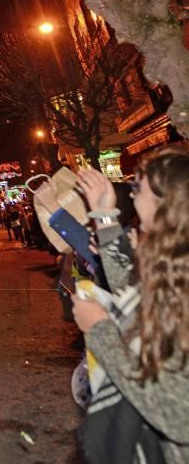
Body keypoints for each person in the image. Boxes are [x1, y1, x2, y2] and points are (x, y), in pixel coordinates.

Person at [64, 152, 189, 463]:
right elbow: (140, 295)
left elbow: (178, 416)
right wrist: (104, 214)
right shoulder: (172, 255)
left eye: (137, 189)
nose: (132, 197)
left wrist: (100, 330)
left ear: (164, 200)